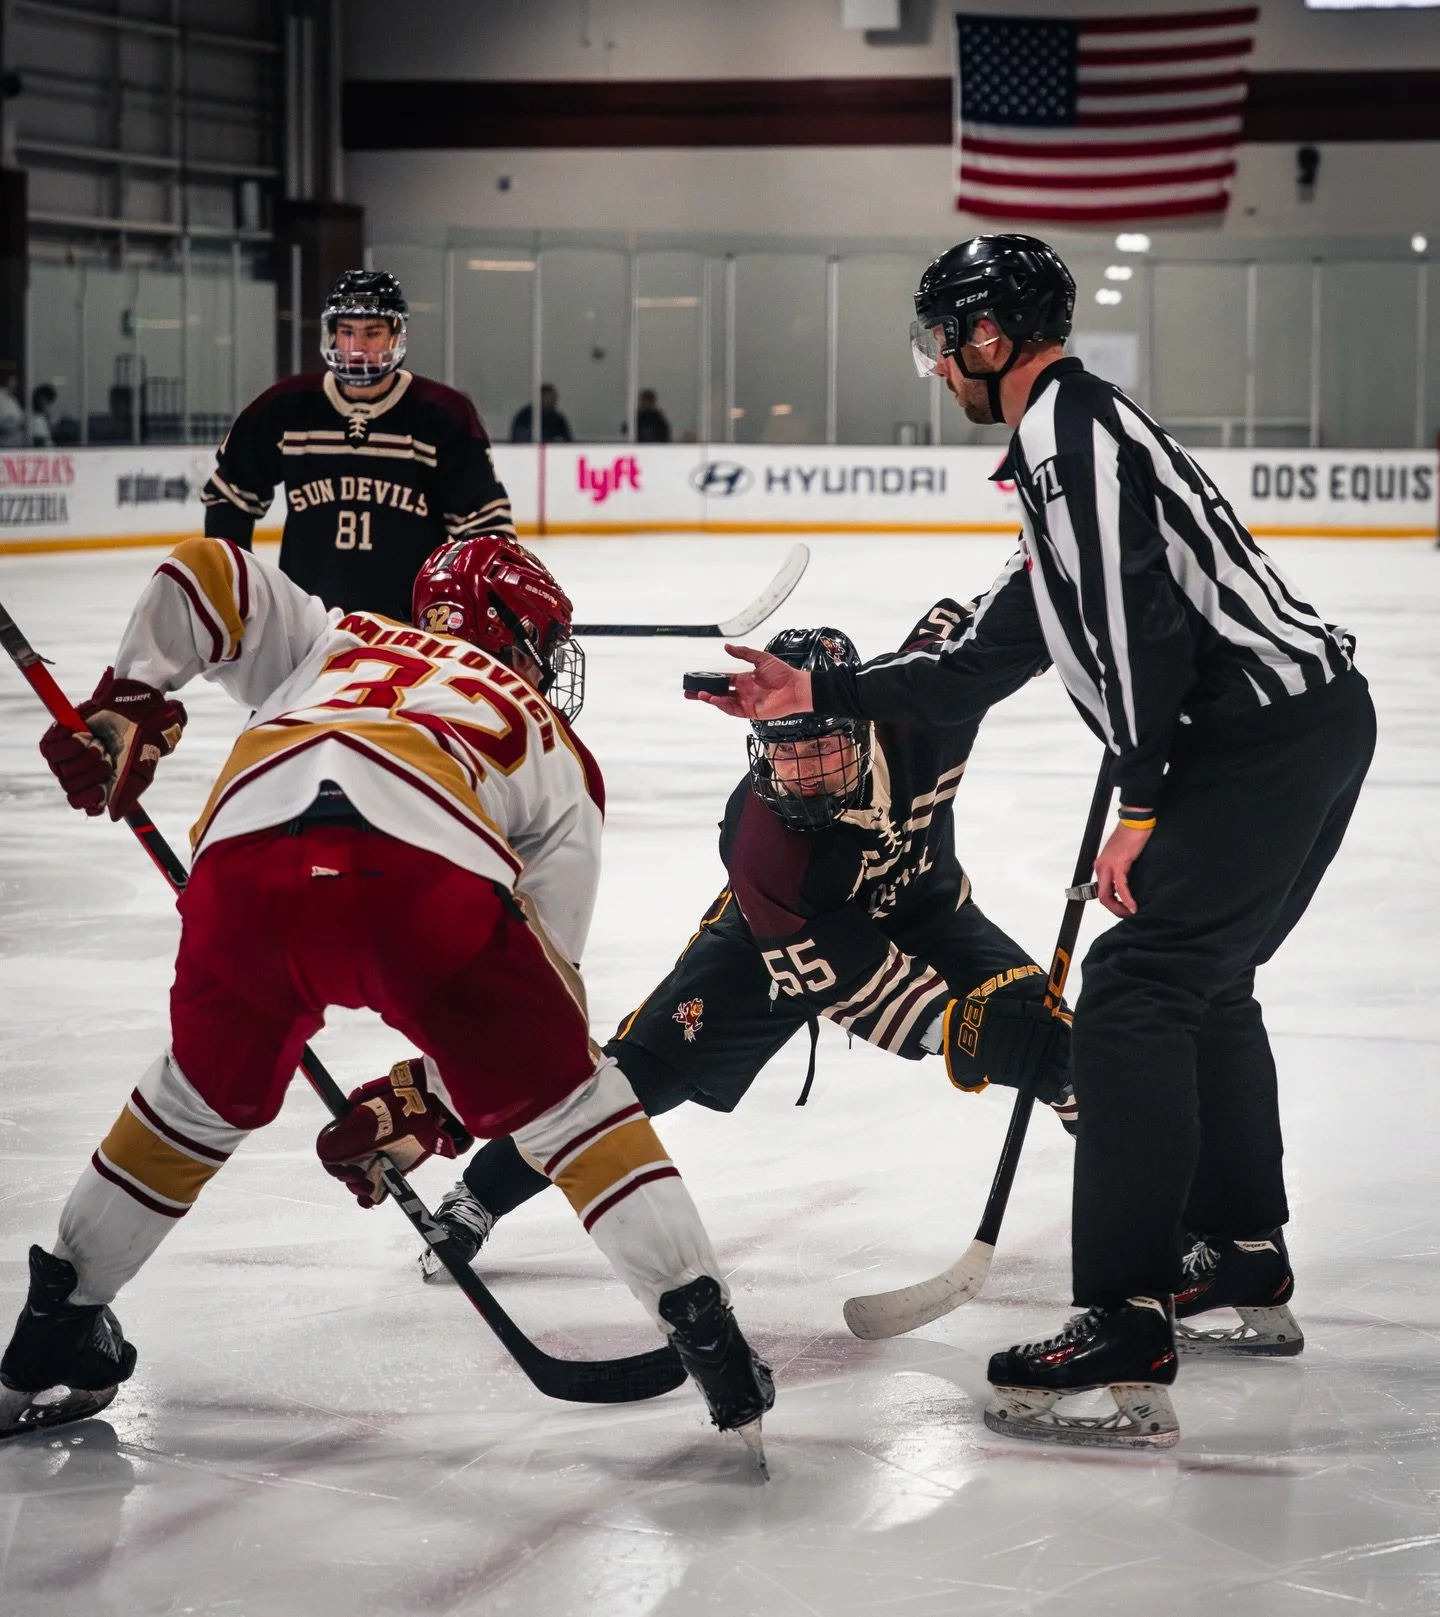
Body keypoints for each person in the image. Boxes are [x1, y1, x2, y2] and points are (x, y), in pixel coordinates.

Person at [694, 233, 1376, 1452]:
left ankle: (1124, 1314)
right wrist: (819, 698)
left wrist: (1142, 802)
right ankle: (1243, 1257)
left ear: (988, 338)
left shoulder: (1068, 438)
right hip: (1301, 727)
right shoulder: (1069, 443)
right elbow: (977, 666)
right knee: (1203, 983)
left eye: (942, 341)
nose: (937, 364)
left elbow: (1142, 631)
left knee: (1133, 992)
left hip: (1262, 741)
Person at [0, 532, 772, 1454]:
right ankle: (709, 1336)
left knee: (192, 1105)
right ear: (518, 635)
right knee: (573, 1102)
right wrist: (427, 1110)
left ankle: (47, 1339)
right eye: (545, 643)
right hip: (422, 880)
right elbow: (547, 988)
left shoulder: (339, 637)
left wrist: (129, 699)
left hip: (244, 869)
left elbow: (208, 570)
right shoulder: (552, 741)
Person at [413, 609, 1075, 1281]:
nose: (799, 773)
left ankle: (1162, 1216)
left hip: (929, 912)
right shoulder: (765, 848)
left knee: (1064, 1045)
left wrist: (1072, 618)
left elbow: (988, 622)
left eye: (817, 749)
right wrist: (957, 1028)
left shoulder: (922, 708)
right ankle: (481, 1195)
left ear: (859, 718)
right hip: (771, 942)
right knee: (639, 1075)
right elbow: (844, 981)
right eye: (781, 750)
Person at [200, 270, 516, 624]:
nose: (357, 347)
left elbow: (487, 532)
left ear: (396, 335)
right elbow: (230, 496)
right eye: (346, 332)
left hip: (410, 635)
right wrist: (238, 590)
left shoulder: (443, 415)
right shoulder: (284, 408)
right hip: (307, 633)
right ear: (332, 334)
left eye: (372, 333)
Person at [509, 383, 574, 445]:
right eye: (550, 397)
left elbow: (567, 441)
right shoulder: (526, 416)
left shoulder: (558, 418)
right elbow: (520, 440)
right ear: (540, 397)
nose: (553, 400)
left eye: (554, 398)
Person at [0, 370, 25, 446]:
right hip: (5, 442)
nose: (16, 384)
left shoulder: (13, 399)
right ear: (6, 381)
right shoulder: (1, 397)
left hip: (16, 441)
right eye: (13, 381)